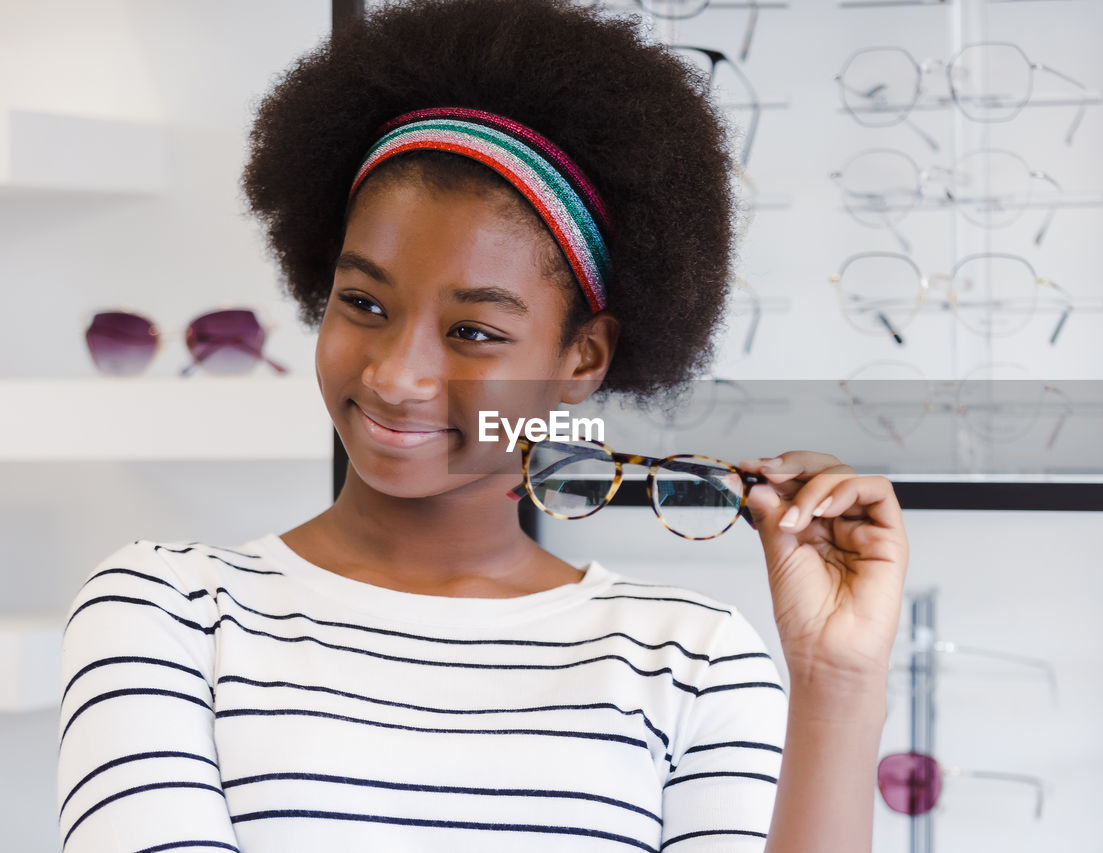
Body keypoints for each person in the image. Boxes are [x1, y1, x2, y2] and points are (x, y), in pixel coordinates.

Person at [55, 1, 909, 850]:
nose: (396, 373)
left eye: (472, 332)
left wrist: (839, 681)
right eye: (363, 303)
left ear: (581, 359)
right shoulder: (169, 613)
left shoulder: (689, 659)